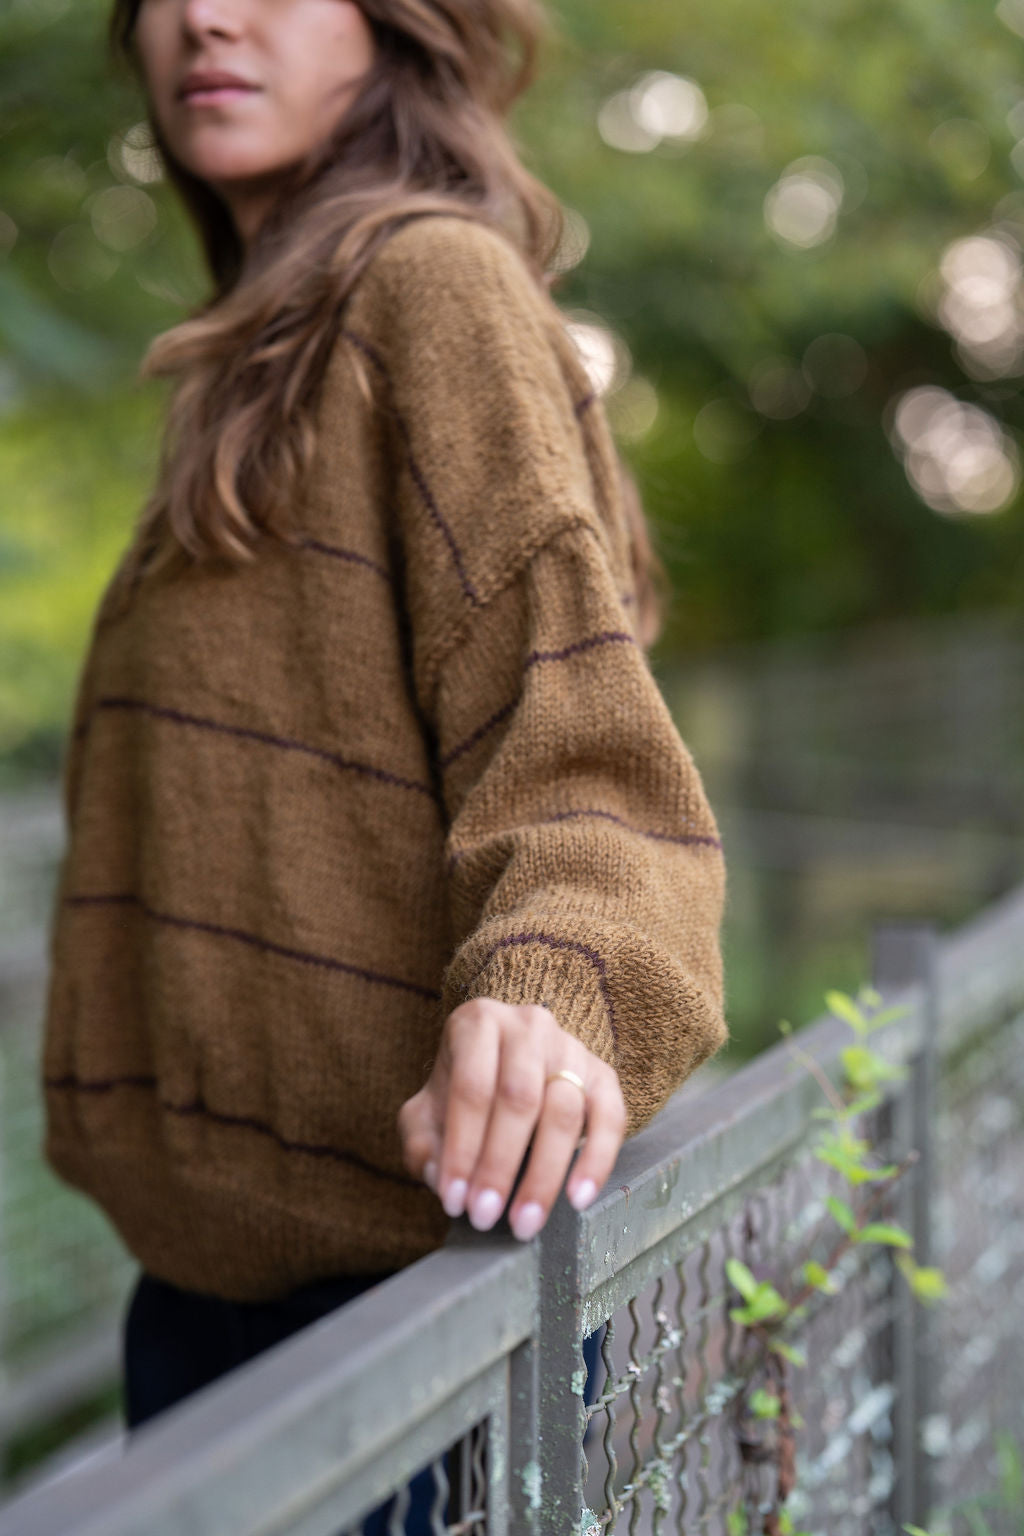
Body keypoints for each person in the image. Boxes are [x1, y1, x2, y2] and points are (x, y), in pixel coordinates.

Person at [38, 0, 728, 1526]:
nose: (206, 17)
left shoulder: (431, 284)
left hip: (419, 1330)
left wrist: (555, 985)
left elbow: (587, 753)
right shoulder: (267, 347)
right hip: (220, 1310)